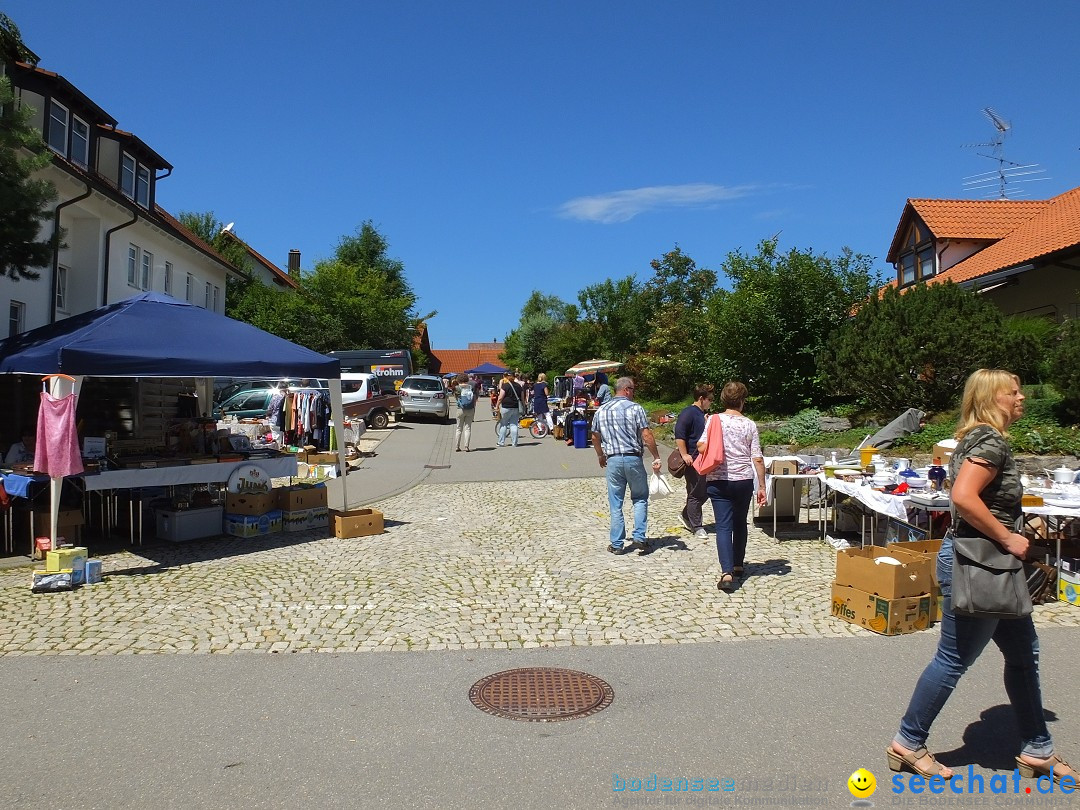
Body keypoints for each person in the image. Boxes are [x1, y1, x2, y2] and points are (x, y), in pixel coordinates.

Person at [888, 369, 1077, 785]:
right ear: (993, 399)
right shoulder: (988, 442)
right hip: (980, 564)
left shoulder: (977, 439)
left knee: (1024, 655)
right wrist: (1009, 536)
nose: (1022, 397)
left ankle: (1038, 748)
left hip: (987, 565)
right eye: (1014, 392)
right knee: (954, 658)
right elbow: (963, 497)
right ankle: (908, 741)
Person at [701, 381, 766, 592]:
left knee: (722, 526)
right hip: (743, 481)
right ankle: (738, 565)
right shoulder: (749, 424)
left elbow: (701, 446)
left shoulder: (713, 420)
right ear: (742, 401)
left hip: (718, 480)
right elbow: (757, 458)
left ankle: (726, 573)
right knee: (740, 523)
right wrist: (762, 486)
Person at [591, 377, 662, 554]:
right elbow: (646, 434)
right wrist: (656, 455)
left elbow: (594, 436)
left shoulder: (601, 410)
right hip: (633, 459)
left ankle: (616, 544)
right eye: (633, 389)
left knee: (615, 502)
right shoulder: (635, 408)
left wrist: (600, 455)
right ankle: (639, 535)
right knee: (639, 497)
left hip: (613, 460)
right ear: (627, 390)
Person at [674, 383, 714, 540]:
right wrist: (684, 454)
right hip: (693, 459)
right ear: (701, 398)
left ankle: (686, 515)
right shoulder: (688, 413)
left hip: (703, 459)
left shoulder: (701, 414)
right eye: (710, 399)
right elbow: (680, 435)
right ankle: (696, 525)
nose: (711, 402)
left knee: (705, 491)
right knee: (696, 492)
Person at [496, 371, 524, 447]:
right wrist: (523, 406)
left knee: (504, 424)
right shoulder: (519, 386)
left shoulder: (505, 386)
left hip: (506, 407)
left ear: (507, 377)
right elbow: (522, 398)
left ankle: (501, 442)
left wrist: (497, 406)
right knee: (514, 424)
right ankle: (514, 442)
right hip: (516, 407)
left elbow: (500, 397)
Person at [452, 372, 476, 452]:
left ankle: (457, 446)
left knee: (459, 428)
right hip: (470, 409)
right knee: (468, 428)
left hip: (460, 409)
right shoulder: (471, 387)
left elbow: (455, 397)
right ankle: (466, 446)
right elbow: (474, 398)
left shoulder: (457, 388)